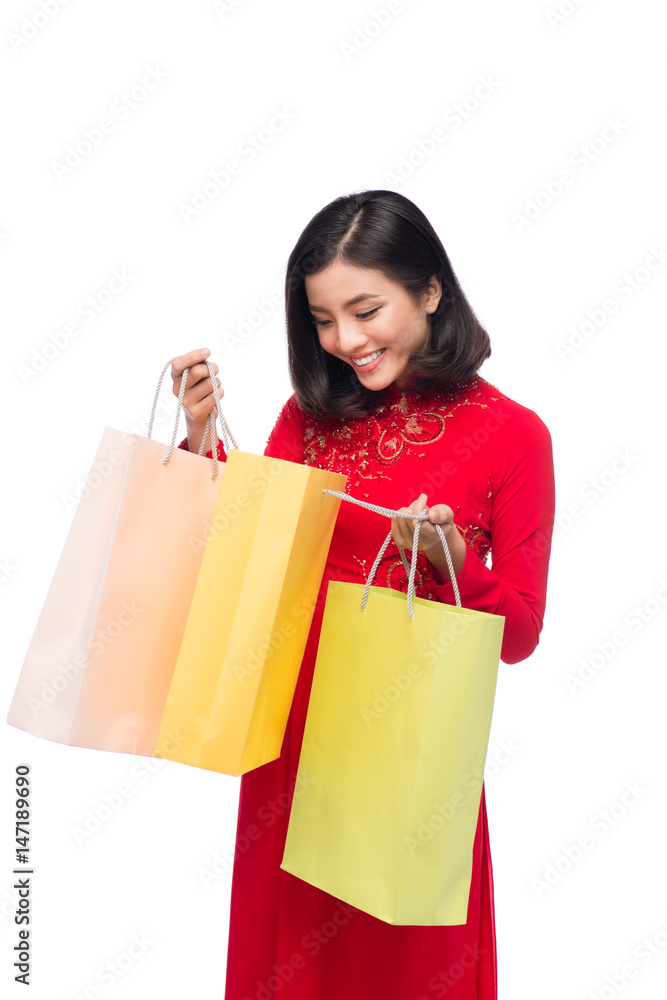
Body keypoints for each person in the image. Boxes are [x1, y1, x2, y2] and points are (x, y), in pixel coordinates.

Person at [171, 189, 556, 1000]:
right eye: (320, 319)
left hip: (409, 760)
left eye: (365, 309)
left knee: (410, 967)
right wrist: (203, 449)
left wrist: (453, 560)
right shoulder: (309, 418)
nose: (343, 341)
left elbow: (518, 632)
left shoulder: (514, 435)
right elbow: (246, 565)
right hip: (292, 754)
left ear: (429, 290)